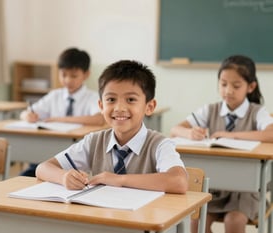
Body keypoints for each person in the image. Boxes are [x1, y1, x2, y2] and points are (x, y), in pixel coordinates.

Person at [36, 60, 188, 195]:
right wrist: (64, 177)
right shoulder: (94, 141)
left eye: (130, 99)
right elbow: (43, 168)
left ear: (149, 106)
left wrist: (120, 180)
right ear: (101, 106)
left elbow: (179, 181)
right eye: (111, 99)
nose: (119, 108)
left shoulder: (159, 144)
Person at [170, 55, 273, 233]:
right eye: (223, 84)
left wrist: (230, 136)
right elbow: (175, 129)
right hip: (215, 189)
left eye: (236, 86)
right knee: (196, 221)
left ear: (251, 87)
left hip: (246, 192)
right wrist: (190, 132)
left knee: (234, 221)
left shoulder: (257, 112)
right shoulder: (210, 110)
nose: (228, 91)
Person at [19, 47, 105, 177]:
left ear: (86, 74)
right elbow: (26, 113)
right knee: (25, 177)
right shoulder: (54, 95)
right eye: (63, 75)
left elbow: (98, 119)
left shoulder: (92, 97)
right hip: (45, 155)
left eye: (74, 76)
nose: (68, 80)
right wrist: (28, 115)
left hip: (75, 162)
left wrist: (59, 119)